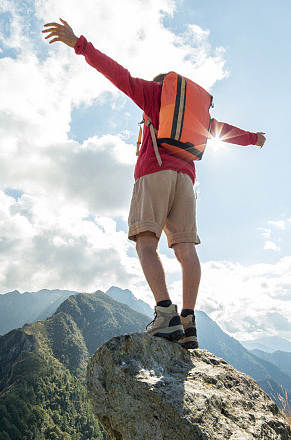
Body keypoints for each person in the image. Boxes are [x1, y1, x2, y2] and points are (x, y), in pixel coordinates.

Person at [43, 19, 265, 349]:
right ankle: (188, 322)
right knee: (186, 249)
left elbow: (118, 75)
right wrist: (254, 139)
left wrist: (80, 44)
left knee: (146, 243)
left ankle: (165, 315)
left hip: (154, 172)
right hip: (186, 182)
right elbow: (224, 131)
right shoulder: (198, 118)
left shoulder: (154, 94)